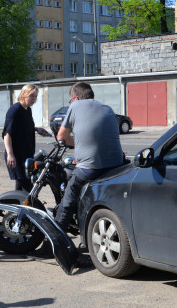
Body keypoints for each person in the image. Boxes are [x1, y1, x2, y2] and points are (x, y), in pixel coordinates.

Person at [54, 82, 125, 232]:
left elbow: (61, 137)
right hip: (117, 165)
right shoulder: (107, 108)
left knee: (67, 201)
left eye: (70, 100)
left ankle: (55, 239)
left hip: (91, 168)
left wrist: (76, 144)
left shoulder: (75, 106)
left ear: (75, 98)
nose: (71, 103)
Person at [2, 84, 51, 191]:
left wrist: (36, 129)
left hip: (26, 154)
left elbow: (21, 127)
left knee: (21, 188)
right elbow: (7, 133)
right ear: (24, 94)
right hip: (17, 156)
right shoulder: (15, 110)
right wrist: (10, 154)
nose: (34, 99)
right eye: (31, 95)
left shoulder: (27, 110)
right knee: (28, 188)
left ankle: (17, 202)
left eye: (36, 96)